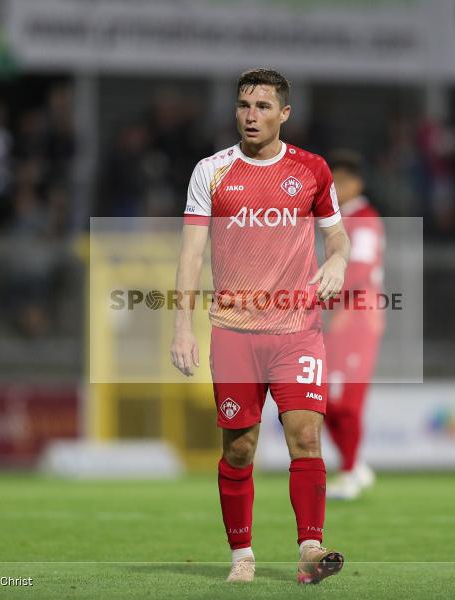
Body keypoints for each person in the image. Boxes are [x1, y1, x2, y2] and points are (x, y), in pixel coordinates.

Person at [170, 68, 350, 584]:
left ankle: (311, 551)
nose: (252, 115)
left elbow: (337, 238)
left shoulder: (312, 170)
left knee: (304, 437)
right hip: (234, 331)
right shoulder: (211, 172)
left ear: (284, 114)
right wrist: (182, 326)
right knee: (240, 447)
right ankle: (241, 557)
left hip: (297, 331)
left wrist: (337, 261)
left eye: (263, 106)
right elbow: (189, 255)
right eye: (244, 105)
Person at [323, 149, 385, 500]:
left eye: (340, 182)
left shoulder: (363, 218)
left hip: (357, 317)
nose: (335, 188)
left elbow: (358, 271)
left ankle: (349, 472)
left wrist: (321, 296)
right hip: (338, 318)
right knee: (324, 401)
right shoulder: (341, 220)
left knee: (345, 401)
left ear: (357, 183)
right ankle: (355, 464)